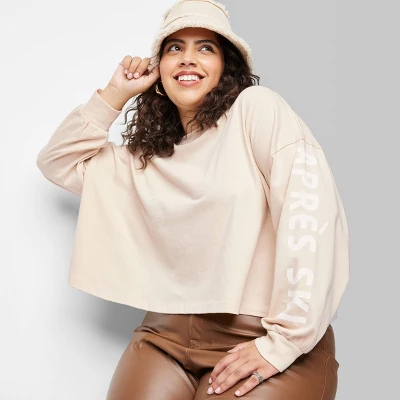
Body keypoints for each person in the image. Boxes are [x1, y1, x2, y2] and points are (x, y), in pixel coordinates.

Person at [36, 0, 349, 399]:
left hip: (261, 334)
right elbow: (57, 162)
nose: (188, 58)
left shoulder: (256, 110)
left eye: (205, 47)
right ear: (159, 70)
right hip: (164, 337)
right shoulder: (146, 158)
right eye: (174, 48)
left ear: (226, 67)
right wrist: (115, 94)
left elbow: (310, 220)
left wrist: (285, 342)